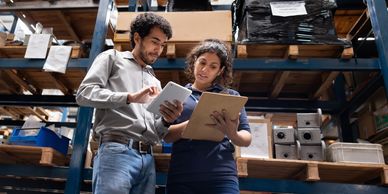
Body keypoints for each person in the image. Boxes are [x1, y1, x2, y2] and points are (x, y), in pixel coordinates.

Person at [76, 13, 183, 194]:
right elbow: (84, 94)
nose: (159, 50)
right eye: (155, 42)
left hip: (147, 158)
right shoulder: (112, 58)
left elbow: (156, 133)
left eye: (162, 45)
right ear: (137, 38)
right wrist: (129, 97)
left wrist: (166, 120)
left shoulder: (154, 81)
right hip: (116, 151)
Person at [164, 39, 252, 194]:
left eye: (213, 66)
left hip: (221, 175)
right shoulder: (177, 95)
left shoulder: (230, 96)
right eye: (202, 62)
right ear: (193, 62)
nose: (205, 70)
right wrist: (193, 123)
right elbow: (165, 136)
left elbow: (246, 138)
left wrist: (232, 133)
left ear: (220, 71)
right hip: (182, 175)